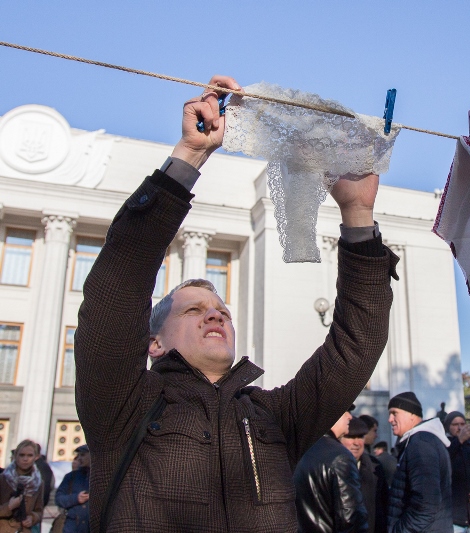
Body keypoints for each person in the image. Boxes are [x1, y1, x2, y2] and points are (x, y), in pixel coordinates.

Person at [74, 75, 398, 532]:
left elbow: (356, 346)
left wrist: (358, 214)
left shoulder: (273, 416)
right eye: (193, 310)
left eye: (221, 310)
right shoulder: (123, 404)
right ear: (154, 342)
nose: (215, 313)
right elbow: (118, 285)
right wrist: (190, 155)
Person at [294, 408, 369, 532]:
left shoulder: (298, 450)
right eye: (345, 411)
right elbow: (351, 519)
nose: (350, 417)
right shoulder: (340, 457)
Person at [386, 391, 451, 532]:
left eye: (394, 413)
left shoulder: (421, 444)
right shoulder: (419, 441)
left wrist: (399, 531)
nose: (390, 419)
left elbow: (426, 505)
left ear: (411, 414)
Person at [341, 417, 389, 533]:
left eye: (360, 437)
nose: (356, 443)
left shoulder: (375, 467)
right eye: (351, 437)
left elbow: (384, 506)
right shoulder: (330, 466)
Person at [0, 440, 44, 533]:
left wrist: (32, 518)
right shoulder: (3, 479)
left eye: (30, 455)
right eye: (22, 455)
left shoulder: (38, 482)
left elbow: (39, 511)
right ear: (16, 456)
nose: (25, 459)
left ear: (36, 457)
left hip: (24, 529)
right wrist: (9, 507)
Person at [55, 445, 90, 533]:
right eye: (78, 455)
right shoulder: (71, 477)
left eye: (83, 455)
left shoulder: (100, 478)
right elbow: (59, 498)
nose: (79, 458)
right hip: (71, 527)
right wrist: (76, 498)